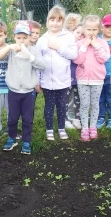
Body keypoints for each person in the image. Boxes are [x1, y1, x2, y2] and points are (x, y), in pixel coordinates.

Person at [0, 21, 45, 154]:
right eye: (18, 38)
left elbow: (42, 65)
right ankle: (12, 138)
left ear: (30, 36)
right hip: (13, 91)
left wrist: (30, 57)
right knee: (12, 118)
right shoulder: (11, 50)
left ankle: (26, 141)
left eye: (25, 37)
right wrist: (10, 47)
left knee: (27, 118)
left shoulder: (34, 50)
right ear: (14, 37)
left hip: (29, 92)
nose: (22, 41)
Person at [36, 5, 78, 141]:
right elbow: (37, 63)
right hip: (47, 81)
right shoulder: (42, 40)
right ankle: (49, 129)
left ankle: (61, 128)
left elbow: (73, 55)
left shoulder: (68, 37)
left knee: (61, 105)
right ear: (47, 21)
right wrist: (37, 81)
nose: (55, 23)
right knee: (49, 105)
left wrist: (58, 47)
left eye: (59, 20)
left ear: (63, 22)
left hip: (63, 80)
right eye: (52, 19)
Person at [73, 15, 110, 141]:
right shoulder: (79, 44)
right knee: (84, 104)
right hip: (82, 79)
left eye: (94, 29)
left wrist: (96, 46)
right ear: (83, 29)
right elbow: (77, 60)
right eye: (88, 29)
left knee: (95, 104)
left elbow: (104, 59)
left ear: (99, 29)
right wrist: (84, 46)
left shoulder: (102, 43)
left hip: (97, 79)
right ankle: (85, 128)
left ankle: (92, 127)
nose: (91, 32)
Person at [63, 13, 83, 130]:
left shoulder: (82, 44)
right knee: (65, 99)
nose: (80, 35)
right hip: (66, 77)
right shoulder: (67, 44)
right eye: (77, 32)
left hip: (79, 77)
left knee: (77, 98)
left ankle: (76, 118)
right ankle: (65, 119)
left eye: (81, 33)